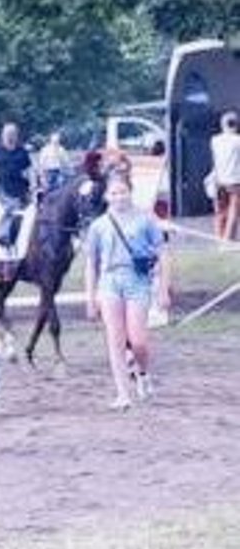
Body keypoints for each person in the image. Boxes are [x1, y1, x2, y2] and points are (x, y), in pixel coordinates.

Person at [83, 162, 171, 410]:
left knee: (138, 340)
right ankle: (123, 393)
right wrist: (90, 298)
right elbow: (91, 263)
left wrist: (163, 288)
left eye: (123, 191)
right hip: (110, 282)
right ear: (106, 196)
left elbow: (163, 252)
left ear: (130, 191)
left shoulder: (145, 220)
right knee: (116, 339)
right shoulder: (98, 226)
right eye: (113, 193)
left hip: (137, 282)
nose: (119, 197)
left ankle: (142, 372)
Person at [0, 121, 33, 248]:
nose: (10, 136)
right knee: (11, 209)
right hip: (2, 190)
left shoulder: (23, 152)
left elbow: (29, 171)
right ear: (3, 136)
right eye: (7, 134)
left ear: (17, 136)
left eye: (13, 134)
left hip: (21, 191)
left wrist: (34, 186)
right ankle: (4, 236)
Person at [209, 110, 240, 245]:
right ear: (236, 125)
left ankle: (220, 239)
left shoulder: (214, 140)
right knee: (233, 211)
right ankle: (229, 240)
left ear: (223, 124)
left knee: (220, 212)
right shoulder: (238, 141)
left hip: (219, 180)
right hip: (235, 180)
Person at [37, 129, 70, 194]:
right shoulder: (45, 150)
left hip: (58, 172)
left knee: (59, 189)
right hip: (48, 172)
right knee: (47, 190)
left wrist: (68, 170)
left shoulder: (61, 150)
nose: (55, 143)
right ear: (50, 140)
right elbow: (41, 164)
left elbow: (66, 162)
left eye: (57, 141)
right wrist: (42, 176)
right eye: (54, 141)